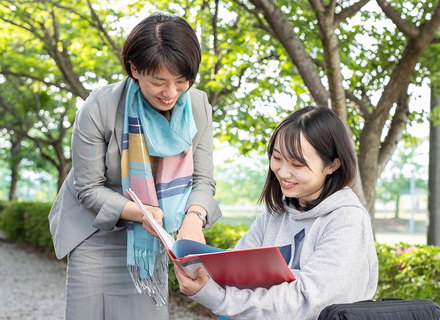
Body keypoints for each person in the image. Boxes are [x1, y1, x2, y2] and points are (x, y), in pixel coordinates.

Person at [48, 12, 221, 320]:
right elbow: (87, 188)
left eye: (182, 81)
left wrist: (194, 218)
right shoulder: (101, 105)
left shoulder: (197, 105)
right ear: (134, 69)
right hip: (96, 234)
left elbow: (203, 180)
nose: (170, 93)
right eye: (158, 82)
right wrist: (140, 213)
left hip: (153, 239)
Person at [174, 106, 379, 319]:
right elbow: (235, 277)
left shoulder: (347, 221)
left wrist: (213, 295)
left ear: (332, 165)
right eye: (277, 158)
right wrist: (198, 271)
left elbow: (308, 303)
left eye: (297, 164)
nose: (283, 172)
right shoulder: (274, 214)